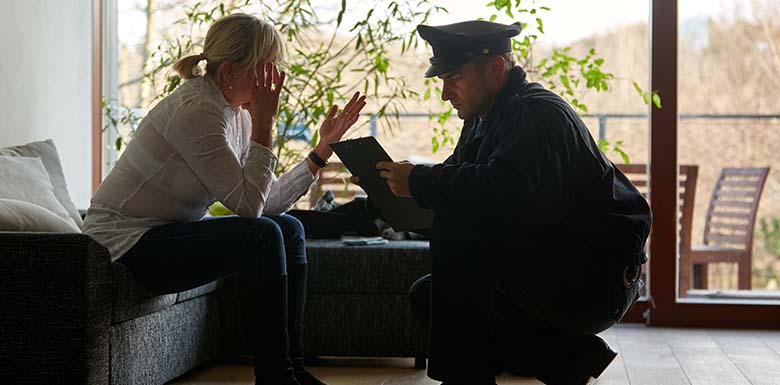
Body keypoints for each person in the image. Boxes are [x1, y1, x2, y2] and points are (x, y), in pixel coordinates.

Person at [83, 13, 366, 385]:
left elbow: (263, 204)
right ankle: (276, 378)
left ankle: (294, 370)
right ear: (232, 72)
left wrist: (320, 153)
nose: (276, 82)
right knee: (261, 235)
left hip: (168, 234)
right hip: (124, 243)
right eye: (268, 70)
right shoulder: (197, 110)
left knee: (290, 228)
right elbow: (249, 210)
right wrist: (265, 125)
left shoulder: (237, 114)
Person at [364, 20, 651, 385]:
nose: (445, 94)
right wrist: (386, 190)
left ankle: (466, 378)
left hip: (595, 280)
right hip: (555, 264)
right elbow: (452, 186)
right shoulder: (485, 118)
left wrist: (419, 180)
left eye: (453, 78)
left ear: (496, 67)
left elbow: (502, 192)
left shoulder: (536, 114)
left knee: (458, 224)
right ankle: (573, 359)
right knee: (428, 297)